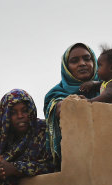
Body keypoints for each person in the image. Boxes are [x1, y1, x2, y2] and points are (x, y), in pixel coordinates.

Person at [44, 43, 100, 171]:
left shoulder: (108, 88)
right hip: (74, 167)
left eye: (87, 58)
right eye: (74, 61)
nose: (82, 63)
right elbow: (60, 108)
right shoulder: (55, 94)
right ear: (66, 67)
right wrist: (73, 104)